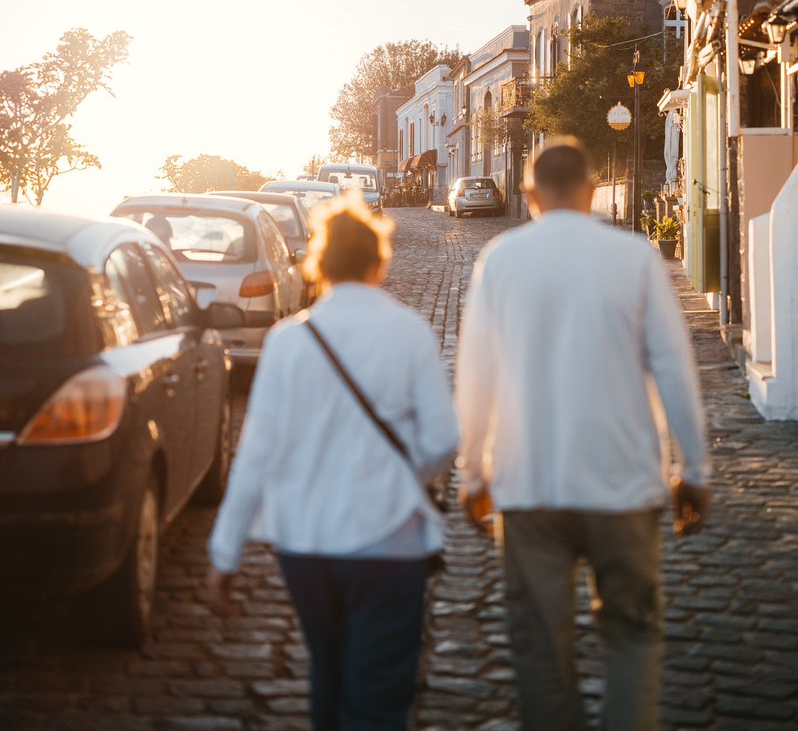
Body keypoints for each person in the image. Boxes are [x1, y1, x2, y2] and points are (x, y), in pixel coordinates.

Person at [455, 138, 710, 731]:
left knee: (540, 651)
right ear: (593, 192)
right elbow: (675, 368)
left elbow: (476, 377)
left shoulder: (500, 260)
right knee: (632, 636)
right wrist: (693, 470)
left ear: (529, 195)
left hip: (529, 486)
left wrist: (473, 473)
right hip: (622, 484)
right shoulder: (636, 258)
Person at [207, 191, 459, 731]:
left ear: (318, 264)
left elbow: (254, 456)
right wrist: (401, 478)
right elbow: (442, 439)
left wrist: (225, 554)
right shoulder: (409, 332)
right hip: (390, 544)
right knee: (380, 693)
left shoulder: (287, 341)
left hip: (307, 545)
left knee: (328, 671)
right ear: (379, 261)